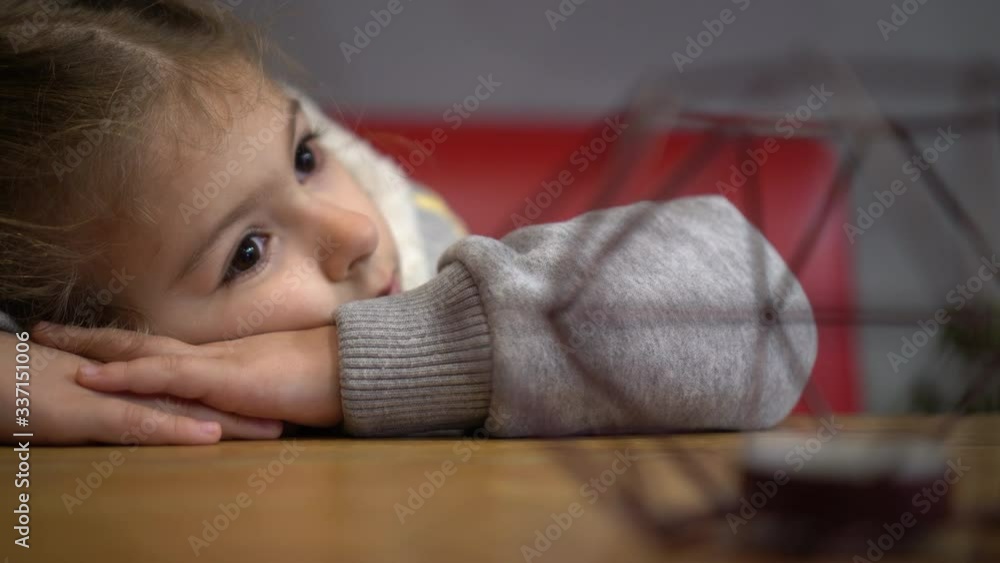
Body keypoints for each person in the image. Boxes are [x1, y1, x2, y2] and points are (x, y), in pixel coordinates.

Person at [0, 0, 817, 445]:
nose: (354, 233)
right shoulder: (69, 401)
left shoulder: (430, 268)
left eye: (307, 157)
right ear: (91, 355)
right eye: (247, 252)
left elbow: (763, 313)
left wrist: (355, 362)